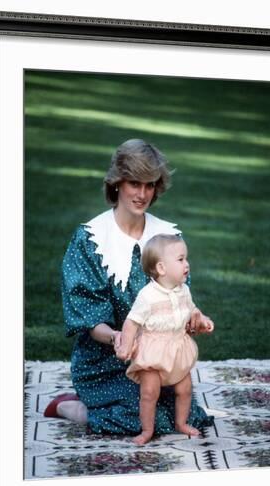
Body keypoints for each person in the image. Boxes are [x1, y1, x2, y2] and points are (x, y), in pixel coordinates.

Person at [44, 138, 214, 437]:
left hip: (157, 359)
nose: (142, 193)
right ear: (117, 183)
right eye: (135, 183)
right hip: (106, 360)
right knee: (138, 419)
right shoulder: (90, 239)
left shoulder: (167, 237)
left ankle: (103, 408)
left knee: (188, 416)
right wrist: (117, 337)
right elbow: (89, 317)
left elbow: (179, 298)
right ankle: (72, 406)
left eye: (149, 185)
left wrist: (191, 320)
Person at [116, 234, 214, 445]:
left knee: (184, 388)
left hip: (177, 348)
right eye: (180, 260)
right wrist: (125, 346)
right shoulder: (148, 296)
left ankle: (181, 423)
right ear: (161, 268)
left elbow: (192, 309)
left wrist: (201, 319)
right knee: (150, 392)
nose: (187, 264)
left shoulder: (183, 291)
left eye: (186, 258)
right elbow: (132, 322)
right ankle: (147, 430)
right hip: (153, 352)